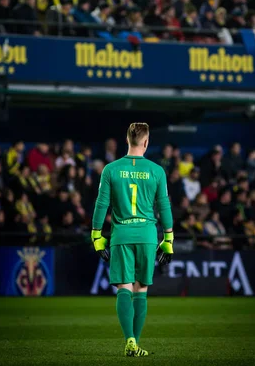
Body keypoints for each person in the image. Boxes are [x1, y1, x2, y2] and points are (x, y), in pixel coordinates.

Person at [91, 122, 173, 358]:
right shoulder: (157, 171)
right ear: (146, 142)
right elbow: (164, 206)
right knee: (141, 290)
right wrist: (169, 238)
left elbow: (101, 204)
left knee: (124, 289)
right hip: (147, 236)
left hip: (121, 235)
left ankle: (129, 341)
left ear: (127, 140)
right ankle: (134, 343)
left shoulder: (111, 169)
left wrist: (96, 235)